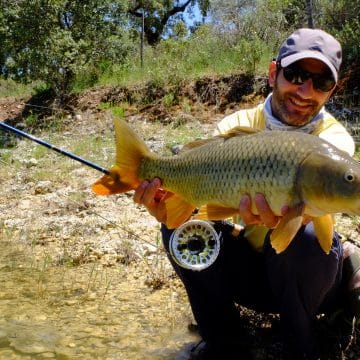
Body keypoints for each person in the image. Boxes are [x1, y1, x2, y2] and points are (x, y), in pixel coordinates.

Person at [133, 28, 360, 360]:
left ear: (331, 90)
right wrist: (167, 210)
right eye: (295, 74)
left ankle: (302, 344)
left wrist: (287, 220)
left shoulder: (335, 142)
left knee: (306, 236)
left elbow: (304, 223)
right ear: (273, 73)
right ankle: (226, 345)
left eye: (321, 82)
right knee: (180, 232)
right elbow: (199, 210)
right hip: (247, 273)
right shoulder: (235, 126)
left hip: (307, 283)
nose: (304, 90)